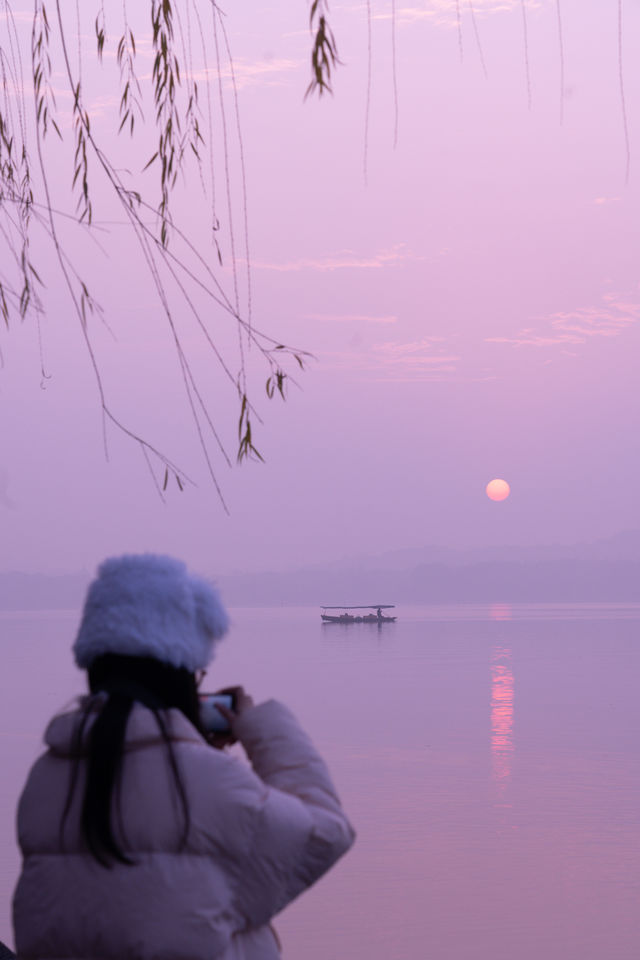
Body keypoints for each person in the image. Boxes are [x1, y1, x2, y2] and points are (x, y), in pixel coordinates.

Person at [13, 554, 355, 960]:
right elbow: (326, 832)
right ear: (181, 674)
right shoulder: (210, 783)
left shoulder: (46, 776)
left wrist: (190, 750)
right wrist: (260, 727)